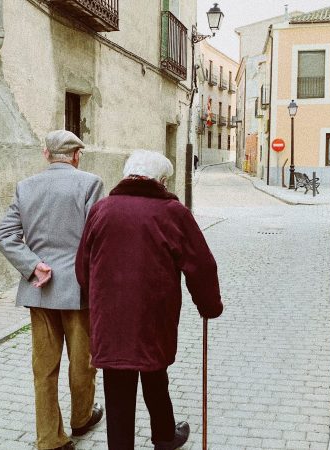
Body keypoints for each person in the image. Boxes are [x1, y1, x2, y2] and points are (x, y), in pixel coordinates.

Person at [75, 150, 223, 450]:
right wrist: (209, 305)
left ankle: (130, 443)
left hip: (111, 318)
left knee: (117, 387)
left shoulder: (101, 209)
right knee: (155, 374)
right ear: (162, 180)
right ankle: (165, 437)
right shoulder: (173, 212)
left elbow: (82, 266)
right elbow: (201, 265)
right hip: (154, 315)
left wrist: (97, 298)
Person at [0, 130, 105, 450]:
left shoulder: (25, 187)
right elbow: (96, 238)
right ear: (76, 155)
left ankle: (50, 439)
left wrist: (32, 265)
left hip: (40, 290)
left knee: (44, 367)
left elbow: (4, 236)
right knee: (82, 361)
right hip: (79, 291)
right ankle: (81, 418)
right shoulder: (90, 183)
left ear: (45, 154)